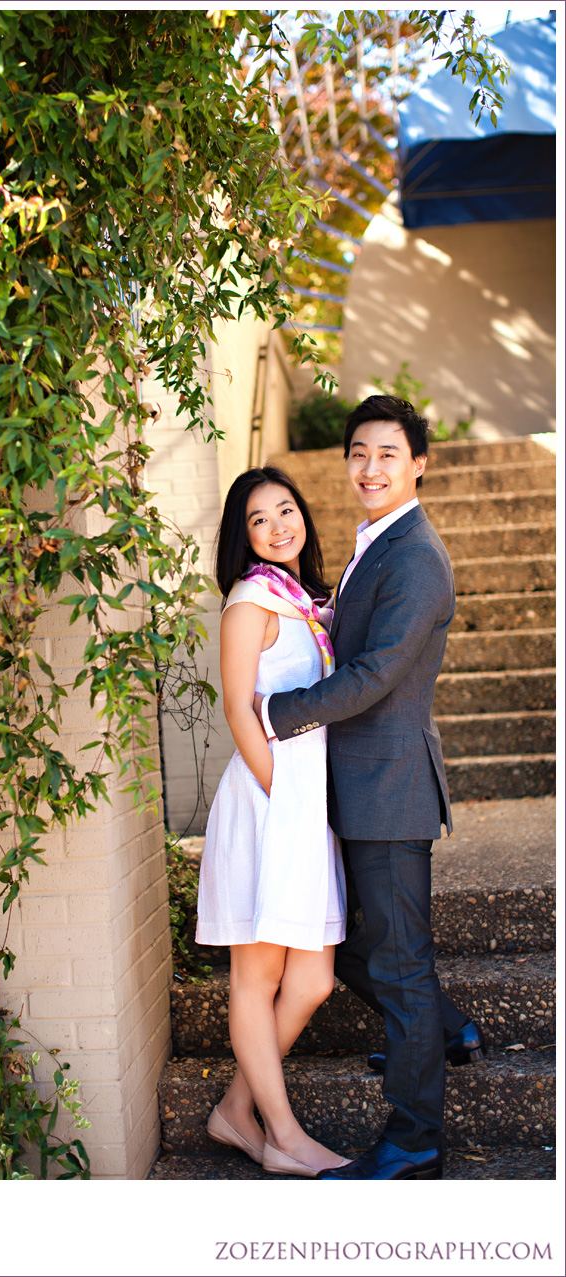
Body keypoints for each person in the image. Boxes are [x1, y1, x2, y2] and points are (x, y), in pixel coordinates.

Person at [257, 394, 484, 1182]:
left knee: (397, 963)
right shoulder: (376, 543)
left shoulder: (416, 555)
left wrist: (276, 709)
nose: (369, 467)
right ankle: (445, 1032)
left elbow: (377, 672)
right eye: (358, 452)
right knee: (357, 950)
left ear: (419, 461)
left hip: (388, 788)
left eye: (387, 453)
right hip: (360, 785)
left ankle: (416, 1135)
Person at [195, 466, 350, 1177]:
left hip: (301, 806)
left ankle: (235, 1109)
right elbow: (238, 710)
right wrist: (278, 798)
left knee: (313, 976)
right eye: (260, 518)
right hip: (267, 805)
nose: (279, 524)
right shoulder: (249, 601)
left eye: (286, 509)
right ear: (243, 536)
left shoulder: (306, 604)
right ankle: (283, 1136)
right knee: (257, 977)